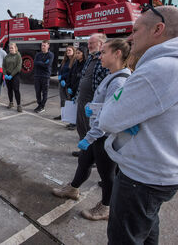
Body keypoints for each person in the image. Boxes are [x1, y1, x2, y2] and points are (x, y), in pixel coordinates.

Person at [99, 6, 178, 244]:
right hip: (159, 173)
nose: (129, 37)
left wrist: (115, 101)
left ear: (158, 29)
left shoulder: (160, 69)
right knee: (145, 234)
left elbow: (107, 119)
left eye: (136, 30)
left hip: (142, 178)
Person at [52, 38, 132, 221]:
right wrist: (94, 108)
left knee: (107, 174)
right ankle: (73, 188)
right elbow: (106, 105)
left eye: (104, 52)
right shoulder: (112, 75)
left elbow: (110, 116)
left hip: (104, 134)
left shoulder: (119, 81)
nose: (100, 56)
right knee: (84, 160)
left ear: (117, 54)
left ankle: (106, 207)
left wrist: (90, 136)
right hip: (97, 131)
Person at [73, 33, 109, 156]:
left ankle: (92, 155)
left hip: (94, 102)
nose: (89, 46)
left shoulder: (103, 59)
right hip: (83, 100)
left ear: (101, 44)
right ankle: (84, 151)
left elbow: (104, 82)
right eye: (88, 43)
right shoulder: (90, 58)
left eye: (91, 43)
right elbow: (83, 77)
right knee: (81, 125)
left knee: (92, 129)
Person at [64, 45, 88, 130]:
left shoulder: (85, 65)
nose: (77, 55)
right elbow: (70, 75)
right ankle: (72, 122)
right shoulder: (75, 63)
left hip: (78, 90)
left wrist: (74, 89)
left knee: (78, 107)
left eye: (79, 53)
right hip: (72, 88)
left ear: (83, 54)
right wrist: (68, 86)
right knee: (73, 106)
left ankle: (76, 123)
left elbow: (80, 79)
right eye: (76, 53)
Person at [54, 45, 76, 120]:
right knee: (62, 100)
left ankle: (70, 116)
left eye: (69, 50)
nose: (68, 52)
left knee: (69, 100)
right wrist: (60, 77)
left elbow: (71, 72)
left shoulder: (74, 61)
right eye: (67, 51)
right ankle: (63, 114)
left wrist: (64, 78)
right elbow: (60, 70)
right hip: (62, 83)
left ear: (73, 51)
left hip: (68, 83)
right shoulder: (65, 61)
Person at [33, 40, 54, 113]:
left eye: (44, 45)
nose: (43, 47)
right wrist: (43, 63)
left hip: (45, 76)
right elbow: (35, 63)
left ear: (48, 46)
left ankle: (42, 106)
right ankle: (39, 105)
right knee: (37, 92)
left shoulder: (50, 55)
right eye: (42, 45)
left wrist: (40, 63)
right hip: (37, 75)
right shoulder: (38, 54)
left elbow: (47, 65)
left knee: (45, 92)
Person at [3, 42, 23, 112]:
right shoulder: (7, 56)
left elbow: (18, 67)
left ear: (15, 48)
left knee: (16, 90)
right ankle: (11, 103)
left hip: (15, 75)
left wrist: (11, 75)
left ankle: (19, 105)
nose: (11, 49)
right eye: (10, 48)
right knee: (9, 89)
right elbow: (3, 66)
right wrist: (5, 74)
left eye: (12, 48)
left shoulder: (18, 55)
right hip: (7, 75)